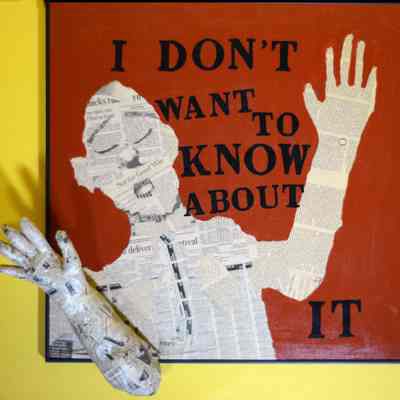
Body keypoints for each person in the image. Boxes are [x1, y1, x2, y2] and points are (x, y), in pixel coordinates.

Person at [0, 34, 377, 396]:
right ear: (95, 176)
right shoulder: (99, 287)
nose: (131, 156)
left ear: (168, 142)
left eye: (140, 132)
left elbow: (301, 273)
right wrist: (74, 300)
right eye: (109, 146)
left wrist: (336, 145)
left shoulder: (225, 238)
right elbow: (142, 383)